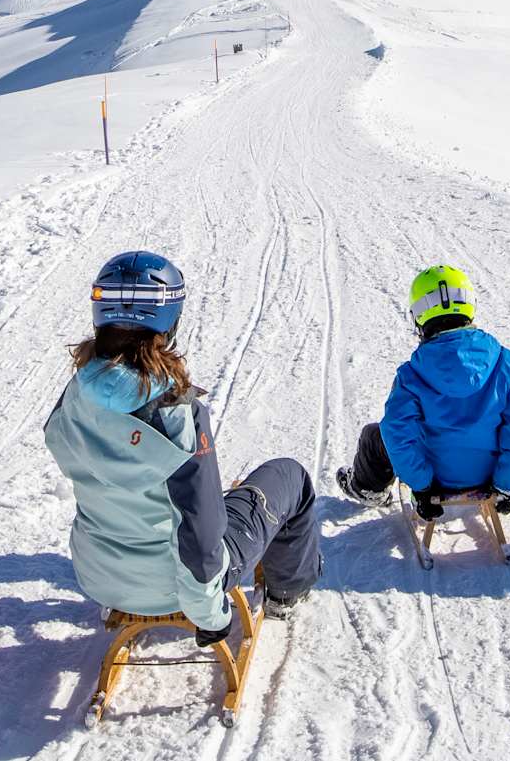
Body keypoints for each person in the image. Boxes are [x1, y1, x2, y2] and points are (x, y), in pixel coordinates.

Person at [44, 251, 321, 646]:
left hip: (98, 575)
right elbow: (200, 530)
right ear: (170, 320)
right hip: (174, 587)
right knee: (289, 476)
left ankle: (125, 589)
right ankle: (286, 595)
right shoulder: (177, 412)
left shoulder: (75, 397)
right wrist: (210, 614)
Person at [335, 265, 510, 518]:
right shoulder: (508, 364)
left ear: (419, 315)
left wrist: (422, 485)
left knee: (375, 436)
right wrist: (507, 484)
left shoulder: (411, 375)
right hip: (491, 474)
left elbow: (397, 432)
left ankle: (365, 488)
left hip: (436, 479)